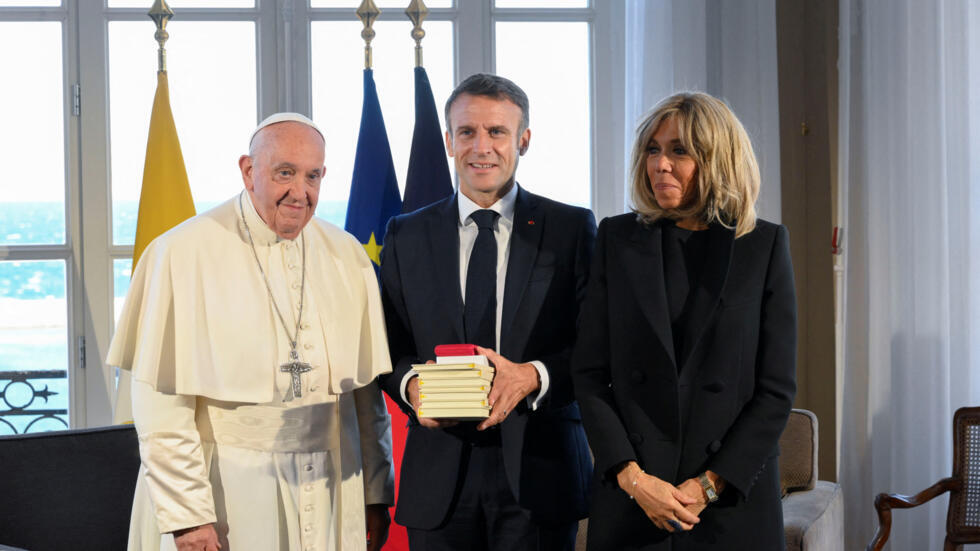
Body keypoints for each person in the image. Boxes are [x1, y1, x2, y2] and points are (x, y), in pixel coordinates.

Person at [106, 113, 395, 551]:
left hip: (334, 482)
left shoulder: (346, 255)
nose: (300, 192)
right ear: (248, 170)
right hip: (227, 488)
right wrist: (189, 517)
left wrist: (376, 491)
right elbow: (161, 406)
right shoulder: (182, 252)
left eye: (312, 176)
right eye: (285, 173)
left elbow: (365, 395)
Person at [378, 73, 595, 551]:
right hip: (438, 477)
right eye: (467, 132)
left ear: (524, 140)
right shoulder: (405, 235)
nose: (482, 146)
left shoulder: (571, 229)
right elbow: (384, 347)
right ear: (449, 141)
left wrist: (533, 376)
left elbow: (597, 348)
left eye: (497, 132)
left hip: (540, 471)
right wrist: (411, 388)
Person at [571, 92, 797, 550]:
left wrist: (707, 487)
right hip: (633, 501)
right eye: (653, 150)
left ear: (718, 159)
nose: (660, 164)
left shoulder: (763, 246)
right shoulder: (616, 238)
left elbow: (775, 392)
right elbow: (589, 375)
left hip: (729, 503)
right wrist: (634, 480)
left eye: (679, 150)